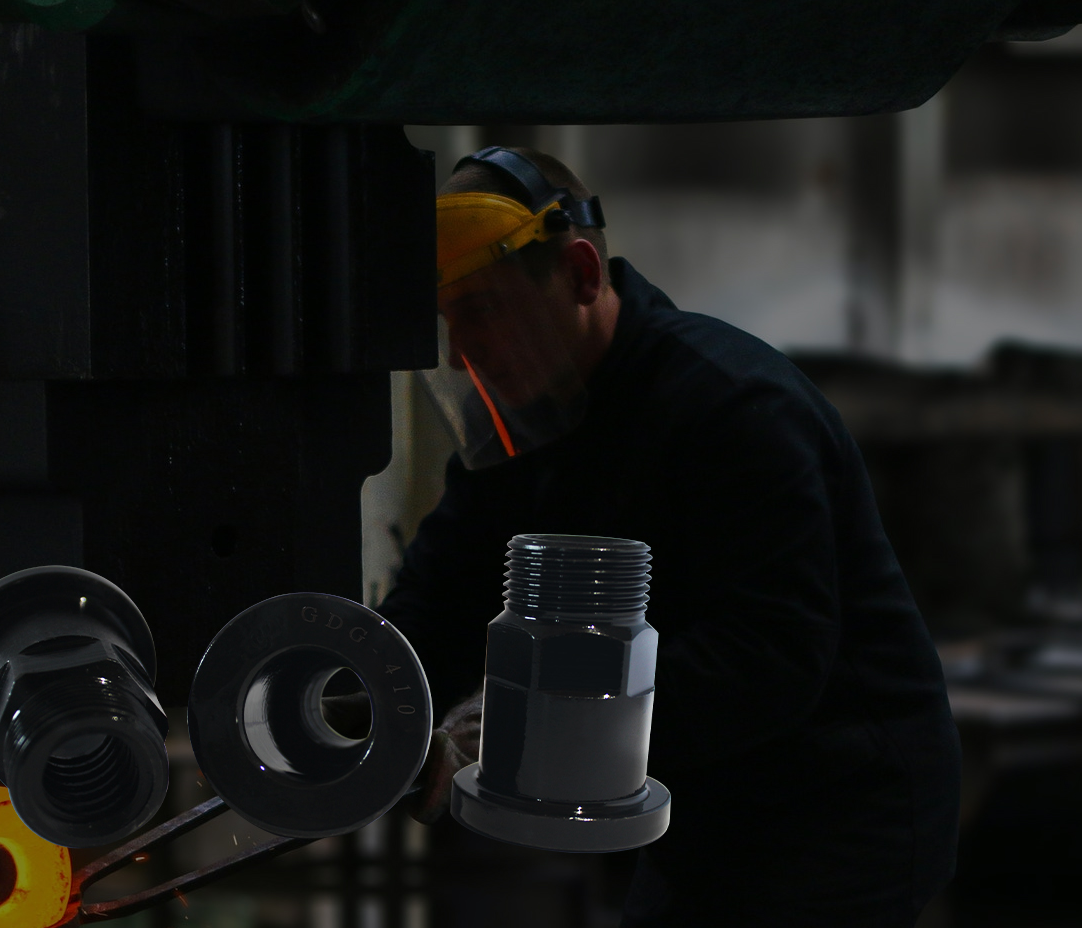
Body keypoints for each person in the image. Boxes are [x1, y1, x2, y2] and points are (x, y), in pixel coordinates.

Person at [382, 146, 961, 927]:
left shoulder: (734, 407)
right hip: (707, 807)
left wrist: (537, 723)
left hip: (843, 804)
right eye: (448, 320)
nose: (461, 353)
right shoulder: (526, 427)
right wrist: (369, 690)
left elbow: (770, 655)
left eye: (481, 310)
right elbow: (445, 591)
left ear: (581, 274)